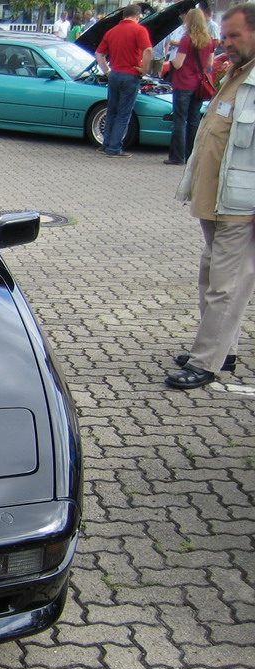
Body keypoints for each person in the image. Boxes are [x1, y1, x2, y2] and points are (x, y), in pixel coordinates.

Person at [167, 4, 255, 389]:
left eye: (235, 35)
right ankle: (223, 349)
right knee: (210, 277)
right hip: (214, 200)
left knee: (226, 286)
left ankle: (206, 362)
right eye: (224, 34)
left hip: (241, 205)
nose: (226, 42)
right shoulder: (237, 73)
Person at [95, 4, 152, 158]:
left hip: (114, 74)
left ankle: (106, 144)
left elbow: (99, 54)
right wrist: (144, 70)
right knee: (123, 113)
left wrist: (107, 71)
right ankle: (114, 148)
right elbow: (148, 50)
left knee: (112, 110)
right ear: (137, 17)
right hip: (130, 75)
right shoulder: (139, 30)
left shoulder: (111, 31)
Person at [167, 8, 215, 165]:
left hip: (183, 83)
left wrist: (171, 60)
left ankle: (177, 156)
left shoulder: (186, 40)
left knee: (180, 120)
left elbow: (178, 64)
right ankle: (190, 156)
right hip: (199, 84)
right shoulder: (209, 40)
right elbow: (210, 63)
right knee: (194, 120)